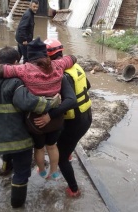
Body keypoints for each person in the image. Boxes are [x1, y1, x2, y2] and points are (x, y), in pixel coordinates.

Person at [0, 46, 64, 208]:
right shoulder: (15, 82)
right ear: (16, 63)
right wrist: (51, 103)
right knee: (21, 173)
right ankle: (17, 205)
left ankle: (5, 168)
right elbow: (29, 103)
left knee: (8, 152)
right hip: (17, 136)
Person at [0, 37, 77, 180]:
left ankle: (42, 171)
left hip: (35, 119)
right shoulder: (58, 65)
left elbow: (0, 70)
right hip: (56, 118)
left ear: (29, 55)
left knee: (39, 147)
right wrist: (67, 60)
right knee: (52, 146)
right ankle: (54, 172)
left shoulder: (24, 69)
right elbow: (72, 58)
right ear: (45, 53)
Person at [43, 38, 93, 197]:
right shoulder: (75, 66)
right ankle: (69, 151)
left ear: (47, 57)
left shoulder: (61, 74)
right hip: (87, 116)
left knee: (61, 158)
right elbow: (88, 86)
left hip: (75, 121)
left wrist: (49, 115)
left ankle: (74, 189)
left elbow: (70, 103)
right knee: (67, 143)